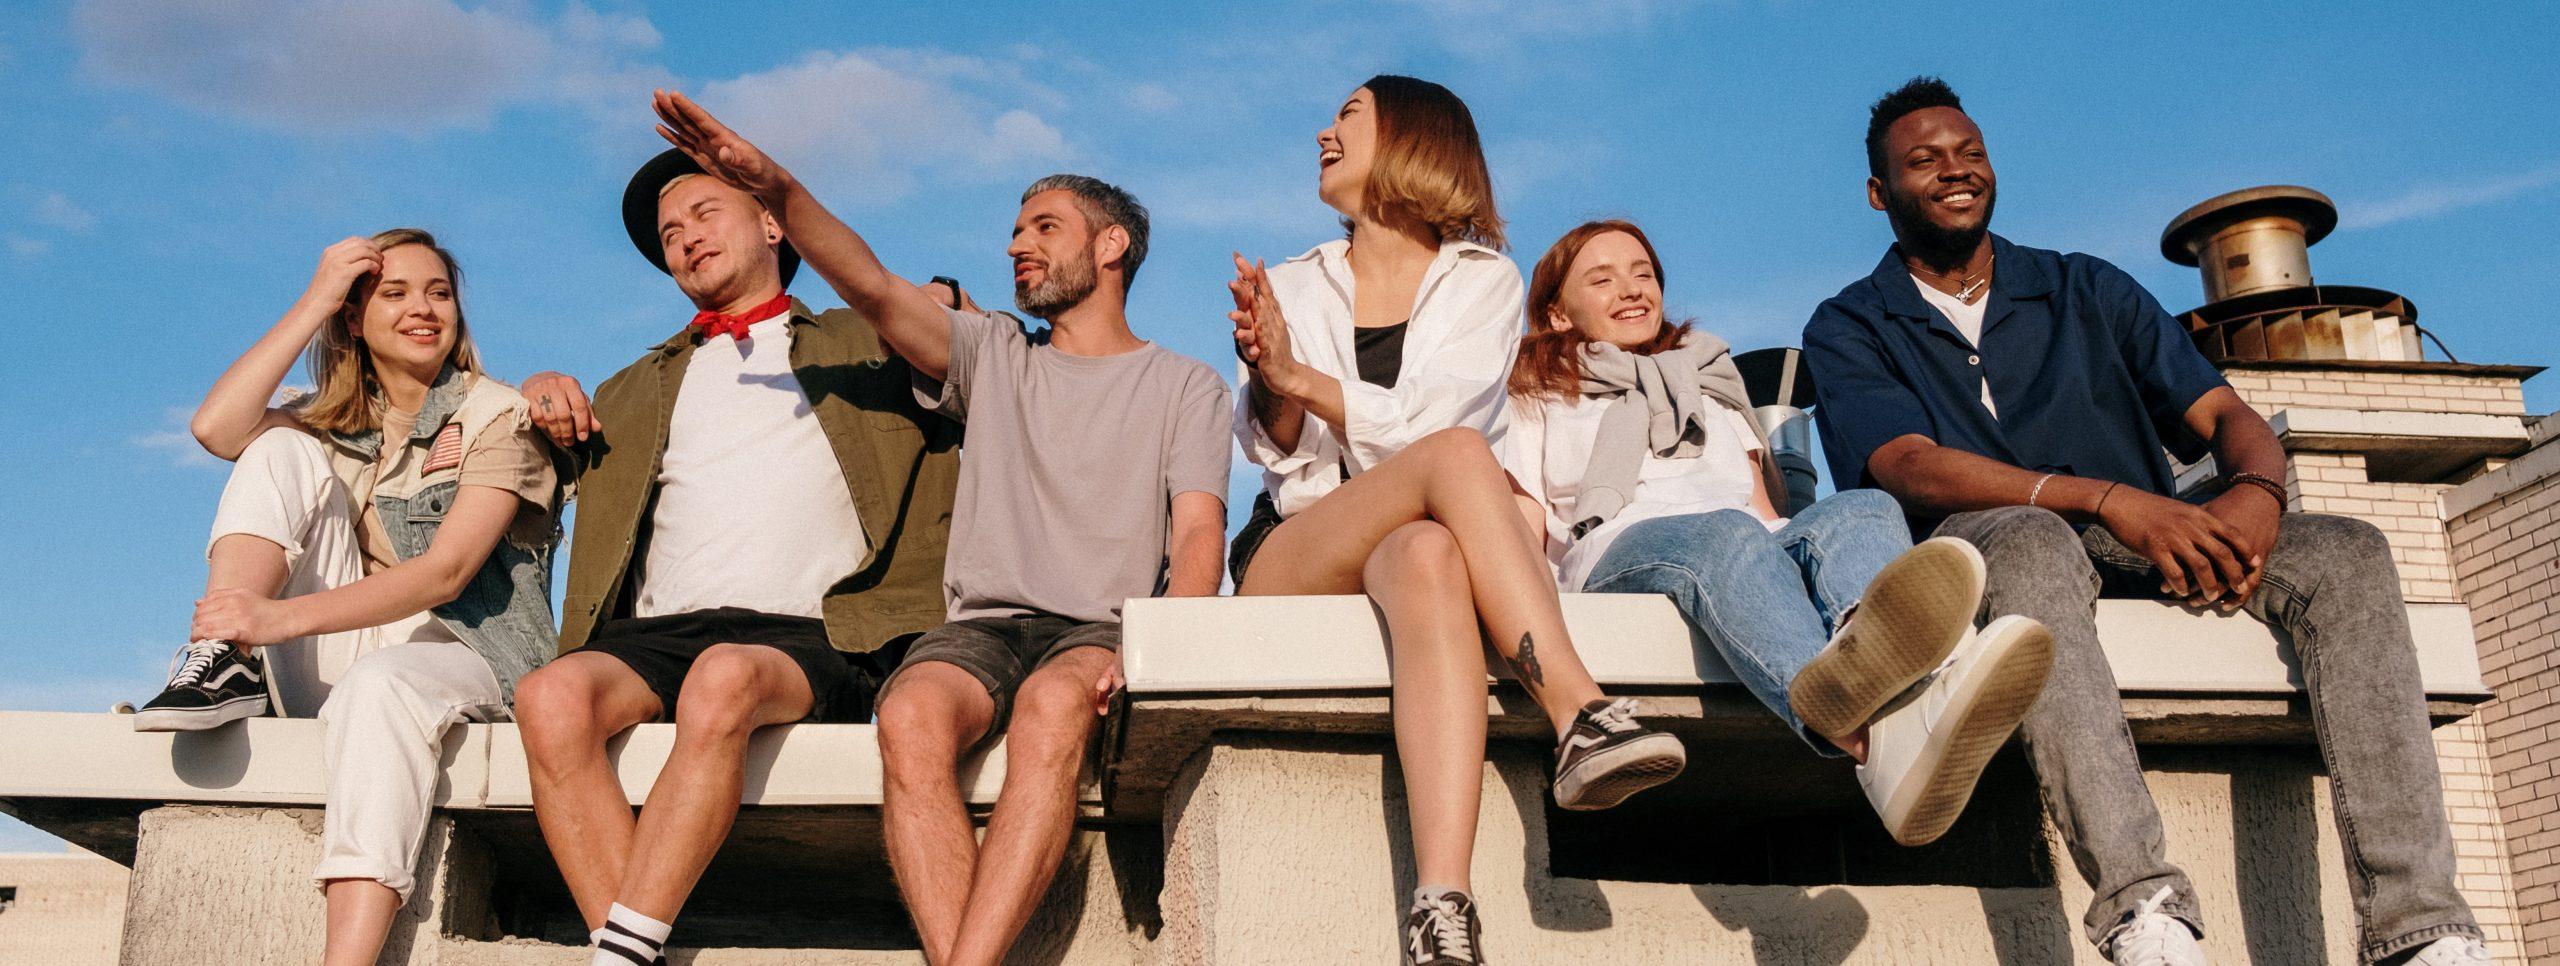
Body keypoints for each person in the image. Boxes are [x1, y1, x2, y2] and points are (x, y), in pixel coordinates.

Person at [1803, 76, 2493, 966]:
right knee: (2030, 538)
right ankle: (2144, 908)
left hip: (2153, 530)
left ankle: (2418, 928)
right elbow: (1906, 464)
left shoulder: (2085, 287)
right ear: (1879, 192)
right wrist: (2107, 499)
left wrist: (2256, 493)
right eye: (1924, 161)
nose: (1955, 172)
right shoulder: (1852, 322)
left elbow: (2227, 416)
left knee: (2347, 551)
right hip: (1998, 537)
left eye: (1970, 154)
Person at [642, 92, 1230, 965]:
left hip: (1099, 629)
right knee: (909, 714)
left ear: (1112, 246)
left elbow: (1196, 537)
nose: (1015, 246)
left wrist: (1152, 651)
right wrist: (776, 186)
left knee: (1054, 708)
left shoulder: (1186, 384)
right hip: (980, 627)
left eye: (1044, 227)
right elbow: (873, 286)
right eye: (1015, 230)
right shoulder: (993, 353)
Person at [1227, 75, 1684, 966]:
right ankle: (1581, 712)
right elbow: (1279, 453)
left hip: (1415, 534)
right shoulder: (1291, 281)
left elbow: (1437, 419)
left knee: (1432, 550)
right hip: (1299, 544)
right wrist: (1268, 376)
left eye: (1348, 116)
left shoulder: (1485, 282)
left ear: (1413, 140)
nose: (1324, 131)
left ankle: (1442, 910)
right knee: (1456, 461)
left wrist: (1303, 378)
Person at [507, 99, 960, 965]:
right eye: (669, 231)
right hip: (658, 632)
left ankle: (618, 952)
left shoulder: (865, 343)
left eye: (704, 211)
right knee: (549, 698)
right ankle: (633, 954)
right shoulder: (632, 385)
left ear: (769, 220)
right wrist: (533, 387)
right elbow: (520, 454)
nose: (683, 236)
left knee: (722, 679)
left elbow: (977, 350)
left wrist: (948, 296)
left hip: (821, 632)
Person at [1504, 218, 2053, 847]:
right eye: (1601, 280)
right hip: (1616, 552)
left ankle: (1877, 655)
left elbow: (1768, 512)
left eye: (1644, 274)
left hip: (1738, 541)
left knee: (1862, 508)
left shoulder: (1708, 386)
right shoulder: (1534, 395)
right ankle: (1870, 744)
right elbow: (1521, 522)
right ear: (1554, 315)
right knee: (1728, 533)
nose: (1631, 290)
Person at [133, 229, 561, 966]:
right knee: (276, 446)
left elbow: (446, 575)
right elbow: (215, 428)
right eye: (393, 294)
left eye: (439, 292)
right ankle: (221, 658)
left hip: (470, 649)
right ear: (353, 321)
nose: (424, 310)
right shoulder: (327, 417)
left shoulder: (498, 413)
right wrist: (317, 296)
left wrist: (277, 618)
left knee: (382, 684)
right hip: (348, 643)